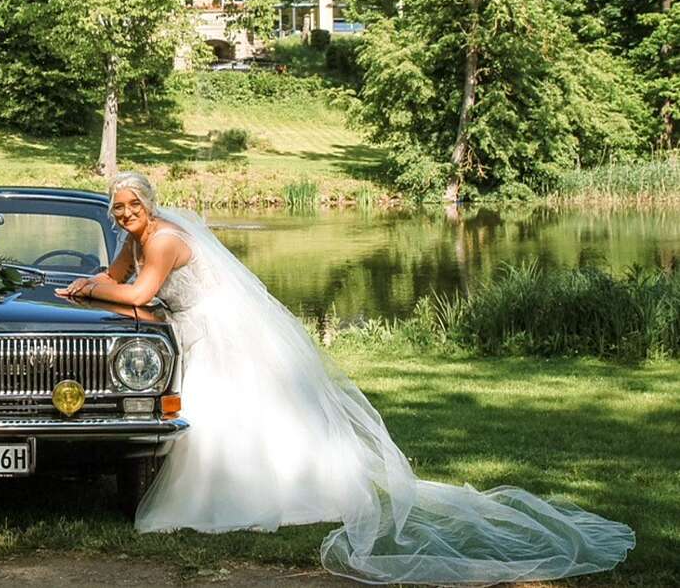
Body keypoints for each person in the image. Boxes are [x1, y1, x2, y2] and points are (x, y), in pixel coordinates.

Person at [57, 171, 635, 585]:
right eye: (118, 210)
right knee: (222, 415)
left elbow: (135, 293)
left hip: (215, 329)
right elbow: (113, 276)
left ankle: (262, 493)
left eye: (132, 207)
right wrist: (86, 283)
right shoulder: (136, 238)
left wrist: (93, 288)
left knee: (231, 412)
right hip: (194, 327)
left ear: (150, 206)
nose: (125, 216)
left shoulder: (161, 239)